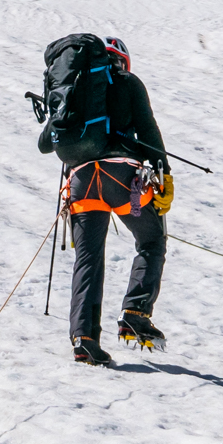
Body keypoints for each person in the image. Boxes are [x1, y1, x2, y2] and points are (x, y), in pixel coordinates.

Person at [61, 36, 175, 365]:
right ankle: (135, 313)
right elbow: (148, 129)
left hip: (82, 181)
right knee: (151, 239)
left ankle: (84, 339)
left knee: (88, 258)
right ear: (123, 61)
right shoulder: (128, 82)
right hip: (120, 176)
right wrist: (164, 173)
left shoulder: (77, 86)